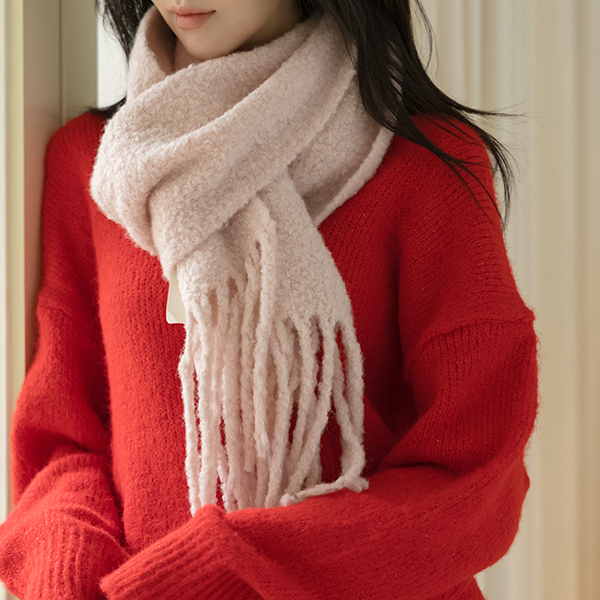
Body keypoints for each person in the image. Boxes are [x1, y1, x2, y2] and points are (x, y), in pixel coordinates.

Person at [0, 0, 538, 598]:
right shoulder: (92, 165)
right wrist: (69, 580)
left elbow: (477, 474)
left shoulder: (425, 163)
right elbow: (61, 440)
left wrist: (221, 571)